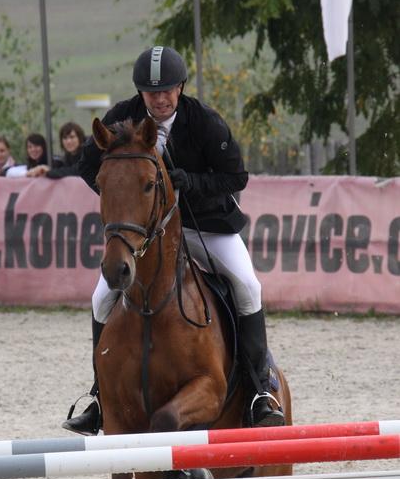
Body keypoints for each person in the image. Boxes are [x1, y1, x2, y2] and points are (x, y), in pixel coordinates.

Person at [63, 45, 284, 435]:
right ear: (141, 92)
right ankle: (99, 397)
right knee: (101, 298)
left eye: (166, 90)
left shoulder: (204, 122)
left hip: (206, 226)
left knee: (248, 286)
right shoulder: (122, 117)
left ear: (180, 87)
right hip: (147, 234)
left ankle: (259, 389)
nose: (160, 99)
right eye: (151, 92)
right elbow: (87, 164)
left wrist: (192, 182)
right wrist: (124, 199)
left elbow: (236, 177)